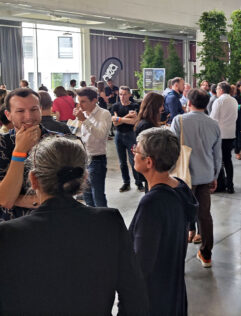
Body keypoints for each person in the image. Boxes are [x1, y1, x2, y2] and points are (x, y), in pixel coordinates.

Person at [0, 135, 149, 315]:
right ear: (85, 177)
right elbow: (135, 297)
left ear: (33, 179)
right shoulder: (108, 222)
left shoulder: (9, 234)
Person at [129, 128, 198, 316]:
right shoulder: (180, 187)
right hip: (173, 286)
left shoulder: (152, 203)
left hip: (154, 296)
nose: (133, 152)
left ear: (148, 162)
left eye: (137, 150)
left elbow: (142, 263)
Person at [171, 88, 221, 268]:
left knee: (182, 217)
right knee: (204, 215)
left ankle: (178, 258)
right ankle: (206, 254)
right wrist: (215, 175)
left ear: (188, 103)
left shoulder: (179, 121)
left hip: (184, 177)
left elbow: (172, 149)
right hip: (205, 175)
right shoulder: (214, 124)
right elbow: (217, 154)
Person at [0, 89, 43, 221]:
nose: (29, 116)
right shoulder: (2, 143)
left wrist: (16, 199)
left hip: (52, 226)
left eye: (34, 109)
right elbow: (6, 200)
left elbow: (68, 194)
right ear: (8, 115)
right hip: (10, 228)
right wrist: (19, 151)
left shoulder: (61, 142)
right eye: (20, 111)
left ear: (41, 109)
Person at [74, 87, 112, 207]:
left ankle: (103, 222)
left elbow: (101, 135)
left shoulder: (104, 114)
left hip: (97, 159)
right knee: (86, 194)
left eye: (83, 101)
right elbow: (79, 135)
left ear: (94, 100)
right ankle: (92, 220)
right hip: (83, 158)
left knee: (98, 195)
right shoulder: (83, 114)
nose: (80, 105)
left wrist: (84, 120)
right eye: (78, 101)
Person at [111, 86, 143, 192]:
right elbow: (114, 123)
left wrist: (120, 118)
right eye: (120, 94)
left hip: (130, 135)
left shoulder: (134, 105)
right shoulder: (115, 106)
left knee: (134, 160)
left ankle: (138, 183)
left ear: (129, 95)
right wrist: (127, 116)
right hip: (119, 135)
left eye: (124, 94)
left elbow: (134, 121)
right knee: (122, 162)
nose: (122, 96)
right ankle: (126, 183)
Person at [210, 81, 238, 193]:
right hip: (230, 133)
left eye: (217, 89)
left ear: (221, 90)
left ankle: (220, 184)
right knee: (228, 160)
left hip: (220, 135)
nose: (216, 91)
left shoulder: (219, 101)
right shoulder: (234, 100)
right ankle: (230, 185)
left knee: (218, 160)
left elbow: (213, 119)